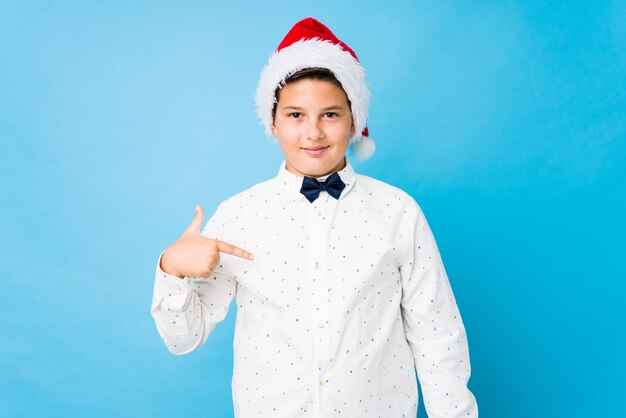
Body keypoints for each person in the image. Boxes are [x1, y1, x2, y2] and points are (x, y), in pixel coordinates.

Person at [151, 17, 478, 418]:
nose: (313, 133)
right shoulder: (239, 216)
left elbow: (437, 337)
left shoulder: (398, 212)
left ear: (355, 121)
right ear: (272, 122)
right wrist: (172, 269)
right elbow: (184, 338)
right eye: (295, 115)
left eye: (330, 114)